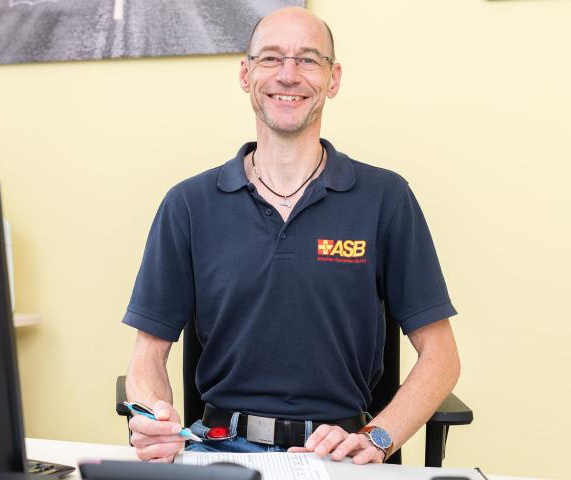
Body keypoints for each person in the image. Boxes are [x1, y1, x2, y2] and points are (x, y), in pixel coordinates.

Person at [121, 6, 460, 465]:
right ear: (246, 75)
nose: (288, 74)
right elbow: (147, 356)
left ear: (333, 79)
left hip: (338, 452)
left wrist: (378, 437)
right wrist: (152, 417)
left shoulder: (386, 198)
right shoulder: (188, 204)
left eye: (308, 59)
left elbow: (442, 357)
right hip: (218, 448)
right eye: (271, 58)